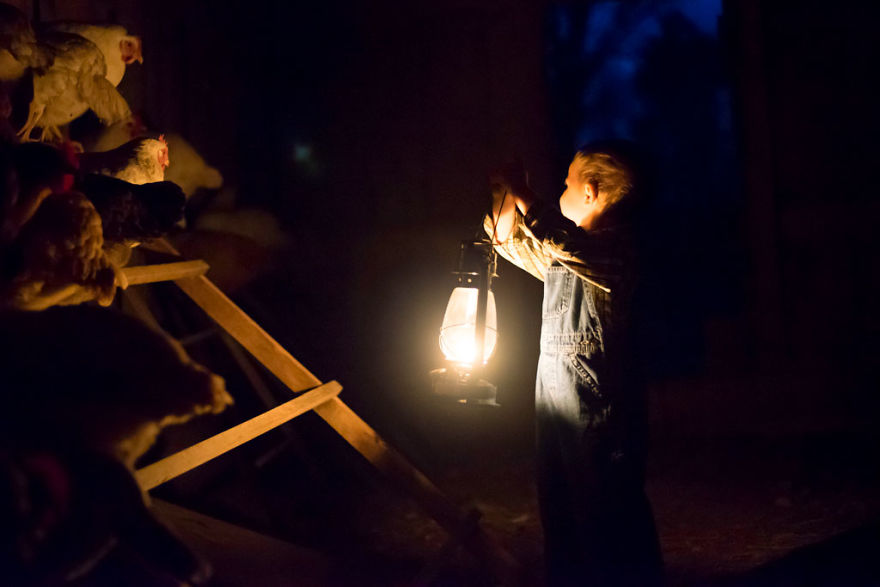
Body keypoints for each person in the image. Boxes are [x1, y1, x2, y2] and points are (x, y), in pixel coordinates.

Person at [486, 144, 663, 586]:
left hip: (601, 412)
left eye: (567, 183)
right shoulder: (564, 258)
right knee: (561, 510)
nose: (559, 191)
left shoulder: (617, 252)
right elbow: (508, 244)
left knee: (607, 510)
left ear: (591, 191)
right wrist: (505, 194)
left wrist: (525, 194)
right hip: (555, 405)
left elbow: (562, 240)